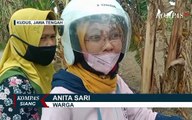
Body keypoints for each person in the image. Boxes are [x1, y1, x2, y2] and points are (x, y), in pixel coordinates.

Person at [41, 0, 183, 120]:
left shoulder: (115, 82)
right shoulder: (61, 99)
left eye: (115, 35)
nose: (108, 45)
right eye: (95, 37)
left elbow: (139, 114)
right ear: (75, 43)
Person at [0, 8, 56, 119]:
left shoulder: (45, 70)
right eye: (42, 38)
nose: (50, 43)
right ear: (21, 40)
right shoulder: (14, 85)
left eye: (52, 37)